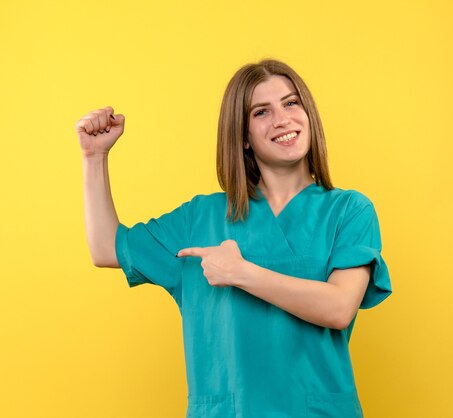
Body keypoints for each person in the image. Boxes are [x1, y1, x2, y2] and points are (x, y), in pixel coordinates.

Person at [76, 59, 392, 418]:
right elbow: (105, 247)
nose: (282, 119)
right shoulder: (200, 218)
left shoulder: (348, 210)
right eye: (261, 112)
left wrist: (241, 273)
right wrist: (94, 157)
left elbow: (338, 308)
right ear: (242, 135)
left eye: (291, 103)